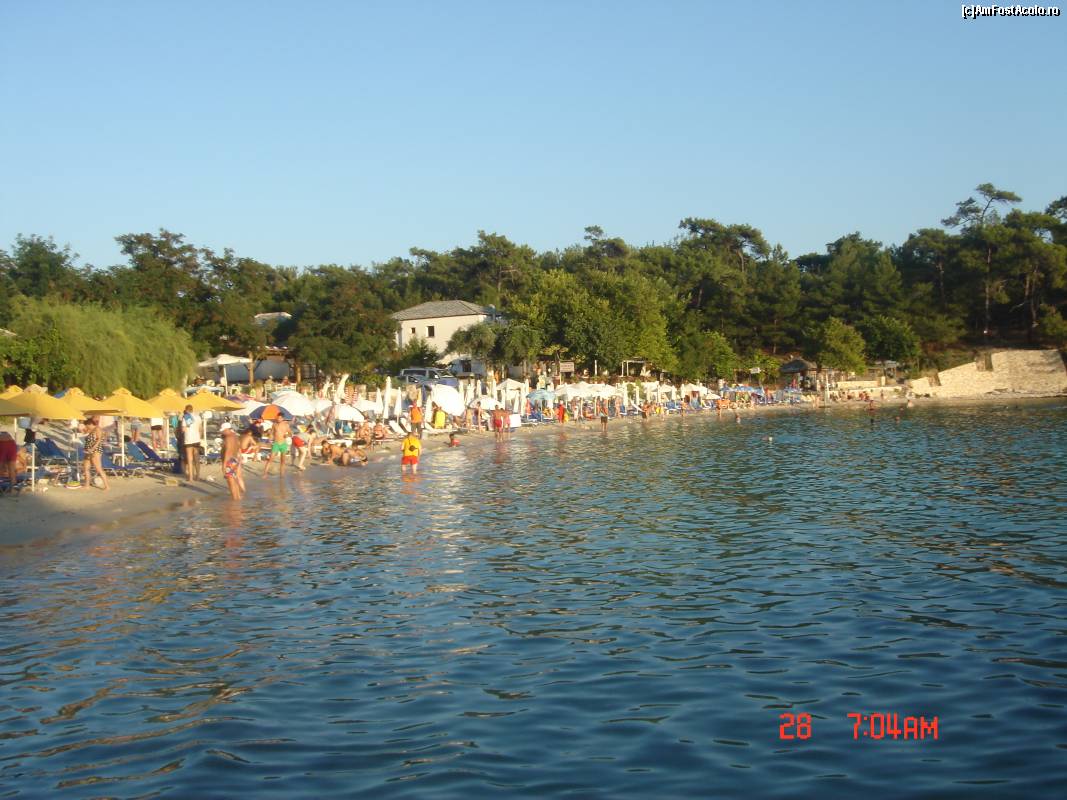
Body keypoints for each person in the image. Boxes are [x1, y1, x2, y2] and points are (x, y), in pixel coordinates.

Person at [81, 416, 109, 491]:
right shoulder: (90, 430)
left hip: (95, 451)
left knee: (98, 468)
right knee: (86, 468)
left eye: (87, 425)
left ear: (90, 424)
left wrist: (92, 448)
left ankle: (107, 486)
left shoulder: (97, 429)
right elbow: (84, 433)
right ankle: (87, 485)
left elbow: (99, 439)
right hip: (88, 451)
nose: (86, 427)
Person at [220, 423, 245, 500]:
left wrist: (224, 465)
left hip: (229, 461)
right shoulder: (235, 436)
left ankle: (235, 502)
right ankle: (238, 498)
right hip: (235, 460)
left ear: (227, 430)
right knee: (234, 480)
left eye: (223, 431)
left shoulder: (228, 438)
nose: (222, 432)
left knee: (231, 482)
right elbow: (238, 448)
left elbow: (228, 452)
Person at [179, 405, 201, 481]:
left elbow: (183, 430)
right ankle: (197, 476)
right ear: (192, 409)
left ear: (186, 410)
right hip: (197, 439)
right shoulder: (198, 417)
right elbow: (200, 428)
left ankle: (191, 477)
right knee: (196, 458)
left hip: (189, 439)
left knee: (190, 459)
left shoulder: (185, 417)